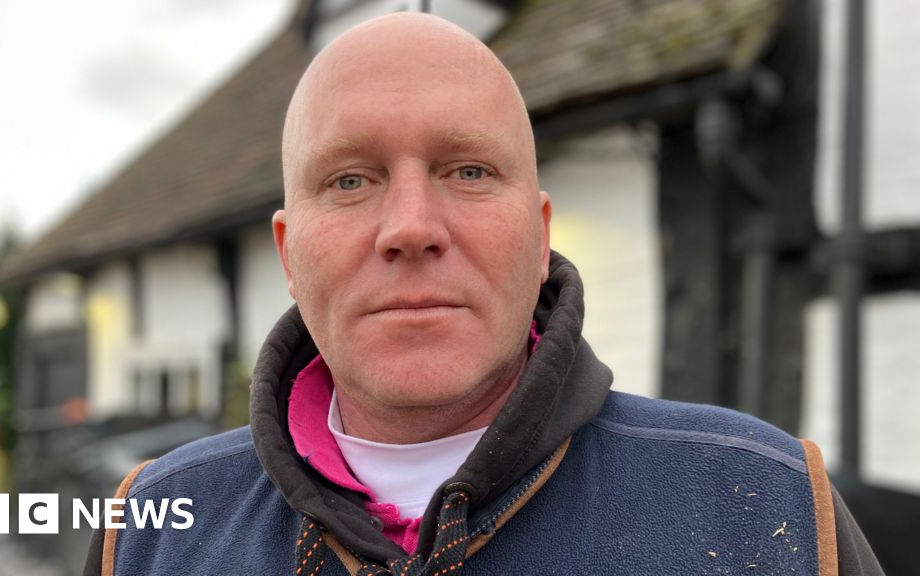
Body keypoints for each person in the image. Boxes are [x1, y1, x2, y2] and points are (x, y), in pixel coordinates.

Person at [85, 13, 883, 576]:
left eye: (467, 171)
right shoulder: (151, 534)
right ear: (290, 256)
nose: (410, 225)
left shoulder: (765, 509)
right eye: (351, 179)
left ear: (539, 238)